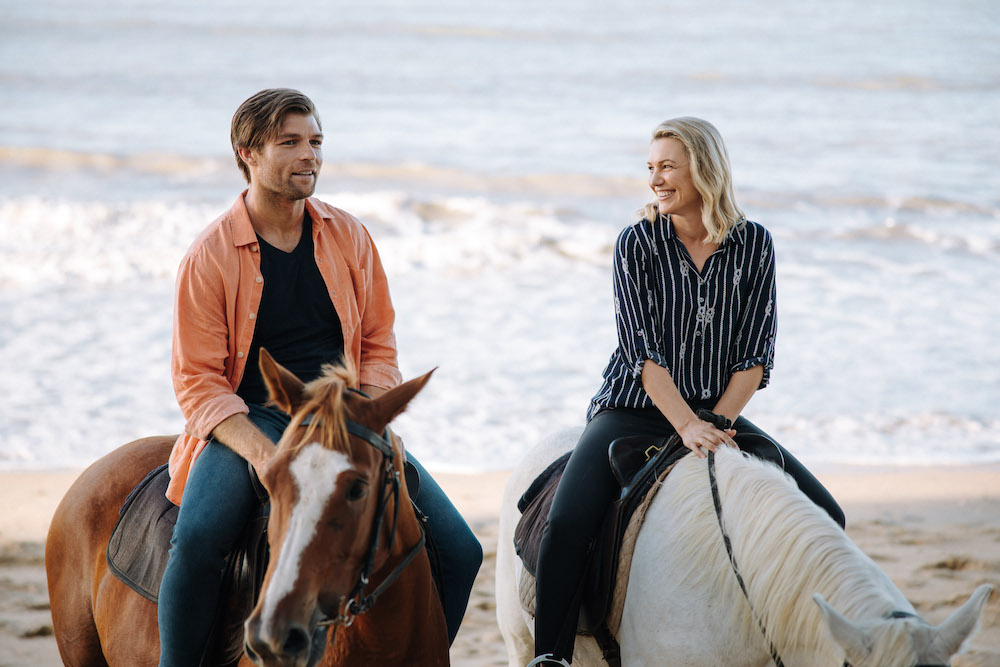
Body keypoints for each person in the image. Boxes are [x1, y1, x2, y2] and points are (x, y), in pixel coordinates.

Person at [158, 88, 482, 666]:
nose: (309, 155)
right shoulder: (210, 255)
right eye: (290, 143)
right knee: (200, 539)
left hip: (343, 419)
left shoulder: (348, 235)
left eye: (316, 141)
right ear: (248, 153)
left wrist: (373, 418)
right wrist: (266, 458)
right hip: (254, 418)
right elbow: (198, 383)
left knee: (460, 550)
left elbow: (378, 344)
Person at [527, 117, 845, 666]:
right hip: (632, 407)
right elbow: (643, 354)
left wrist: (716, 423)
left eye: (667, 167)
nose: (655, 179)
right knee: (567, 524)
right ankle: (549, 658)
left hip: (717, 412)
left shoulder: (754, 244)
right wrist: (686, 426)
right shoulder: (637, 243)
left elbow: (755, 356)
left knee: (826, 515)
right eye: (650, 167)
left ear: (704, 169)